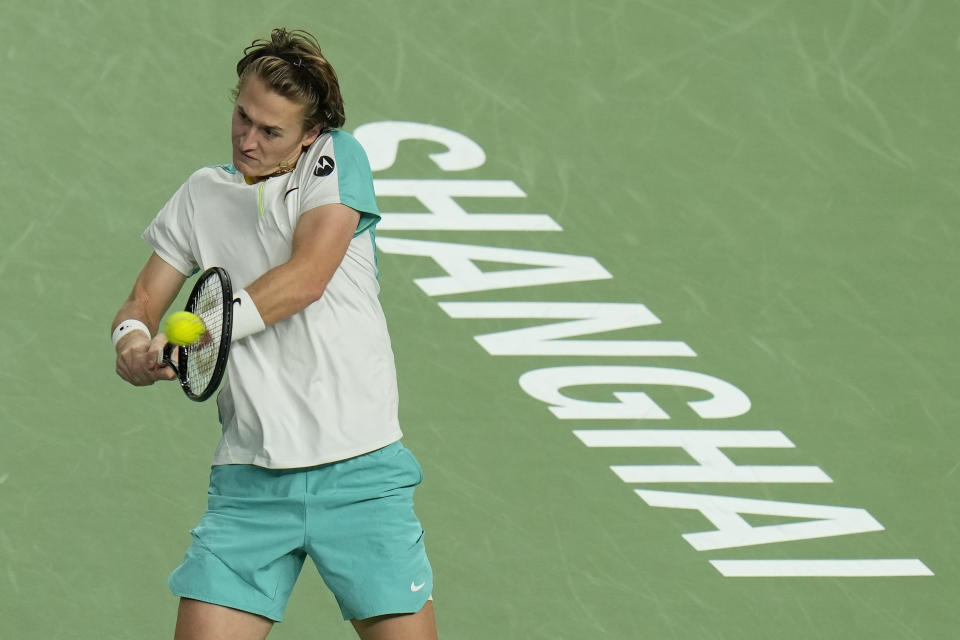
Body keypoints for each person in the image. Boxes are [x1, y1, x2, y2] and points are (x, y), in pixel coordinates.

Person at [111, 28, 437, 640]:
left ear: (309, 134)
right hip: (250, 482)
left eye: (270, 131)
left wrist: (202, 330)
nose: (247, 139)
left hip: (359, 475)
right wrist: (130, 344)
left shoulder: (334, 162)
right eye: (242, 116)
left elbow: (306, 277)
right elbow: (141, 302)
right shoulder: (199, 196)